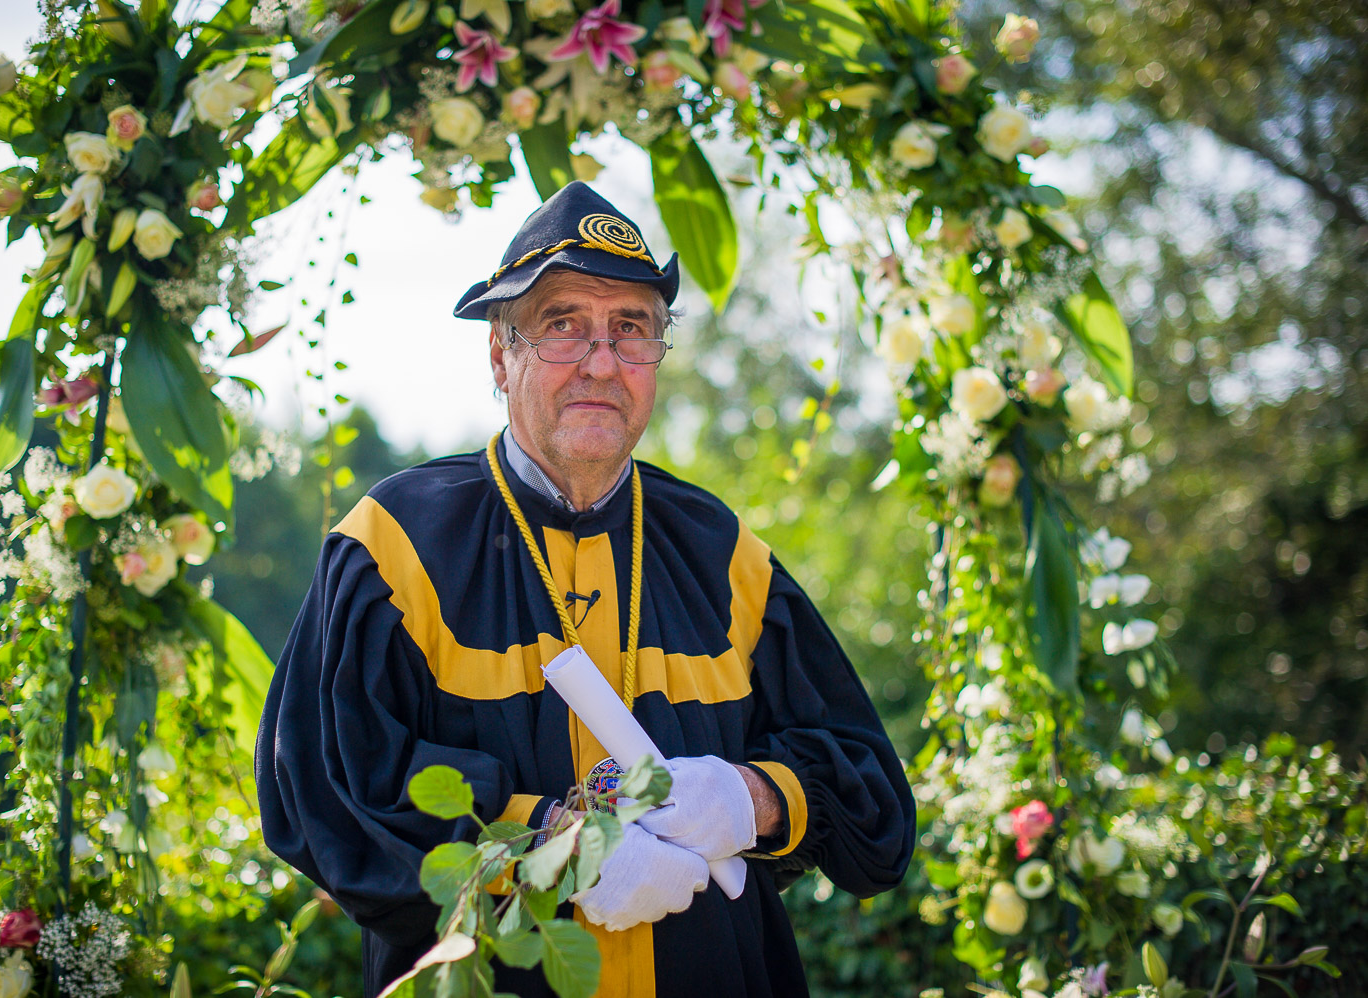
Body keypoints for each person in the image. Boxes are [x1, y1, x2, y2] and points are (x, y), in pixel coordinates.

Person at [256, 182, 915, 998]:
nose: (602, 361)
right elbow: (322, 793)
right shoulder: (392, 546)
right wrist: (552, 845)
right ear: (501, 355)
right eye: (563, 324)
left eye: (631, 329)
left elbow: (874, 805)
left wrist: (753, 800)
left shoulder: (727, 555)